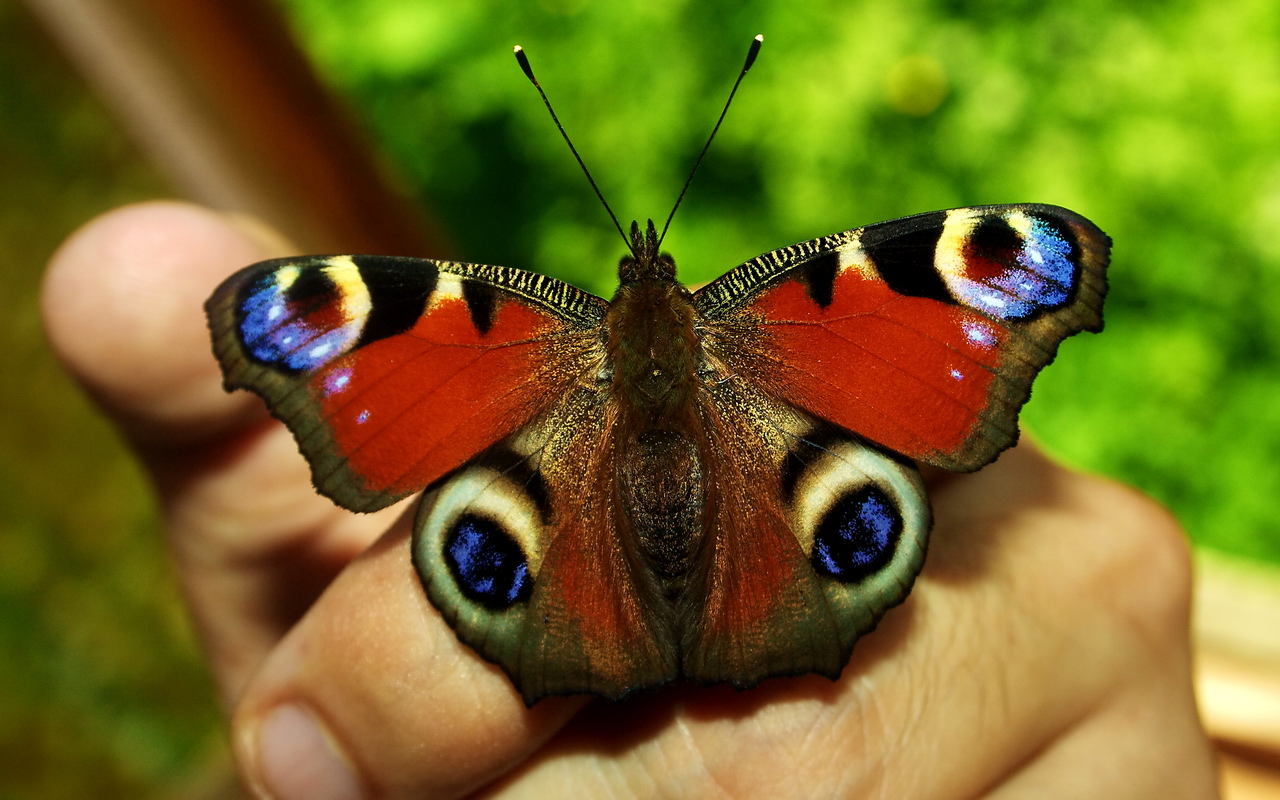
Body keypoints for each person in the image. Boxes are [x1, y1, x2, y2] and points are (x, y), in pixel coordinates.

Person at [43, 201, 1218, 799]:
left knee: (490, 535)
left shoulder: (494, 324)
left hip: (601, 481)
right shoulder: (803, 303)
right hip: (768, 473)